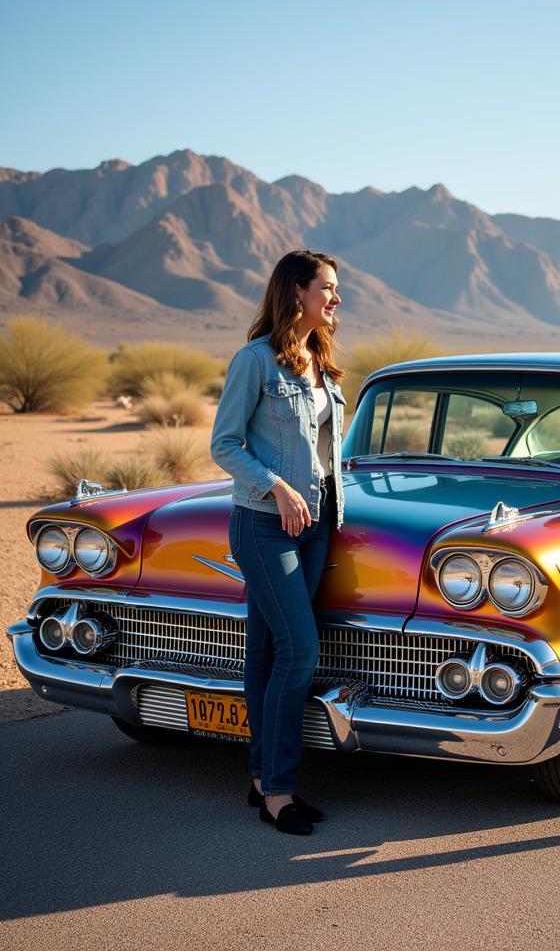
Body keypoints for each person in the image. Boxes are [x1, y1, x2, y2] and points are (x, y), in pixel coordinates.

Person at [211, 249, 346, 836]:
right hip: (265, 524)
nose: (336, 299)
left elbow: (323, 451)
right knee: (300, 652)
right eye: (328, 288)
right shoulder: (255, 361)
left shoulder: (317, 361)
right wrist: (279, 489)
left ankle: (262, 778)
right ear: (297, 292)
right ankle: (281, 792)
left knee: (266, 652)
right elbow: (225, 445)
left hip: (315, 526)